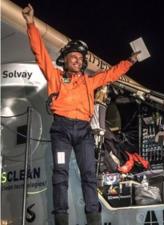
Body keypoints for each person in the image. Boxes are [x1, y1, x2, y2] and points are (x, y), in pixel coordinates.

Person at [22, 4, 140, 225]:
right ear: (65, 60)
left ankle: (93, 219)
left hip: (84, 132)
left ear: (83, 62)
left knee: (88, 175)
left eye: (79, 58)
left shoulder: (90, 81)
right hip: (61, 131)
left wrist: (129, 62)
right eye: (72, 57)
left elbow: (111, 74)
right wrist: (31, 23)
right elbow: (40, 54)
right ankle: (61, 219)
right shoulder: (56, 77)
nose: (76, 60)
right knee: (60, 175)